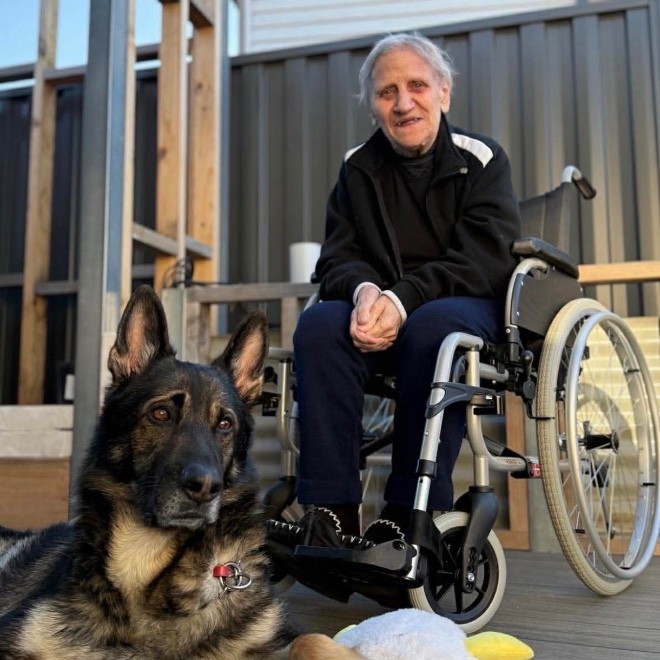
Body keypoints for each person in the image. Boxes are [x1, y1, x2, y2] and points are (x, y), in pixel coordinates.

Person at [290, 32, 521, 546]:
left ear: (444, 93)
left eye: (417, 85)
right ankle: (331, 512)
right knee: (320, 326)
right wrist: (364, 292)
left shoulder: (481, 159)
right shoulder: (357, 168)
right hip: (384, 309)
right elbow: (337, 257)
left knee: (432, 328)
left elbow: (485, 259)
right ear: (372, 105)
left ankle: (407, 511)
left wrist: (403, 298)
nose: (403, 103)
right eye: (386, 91)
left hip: (463, 306)